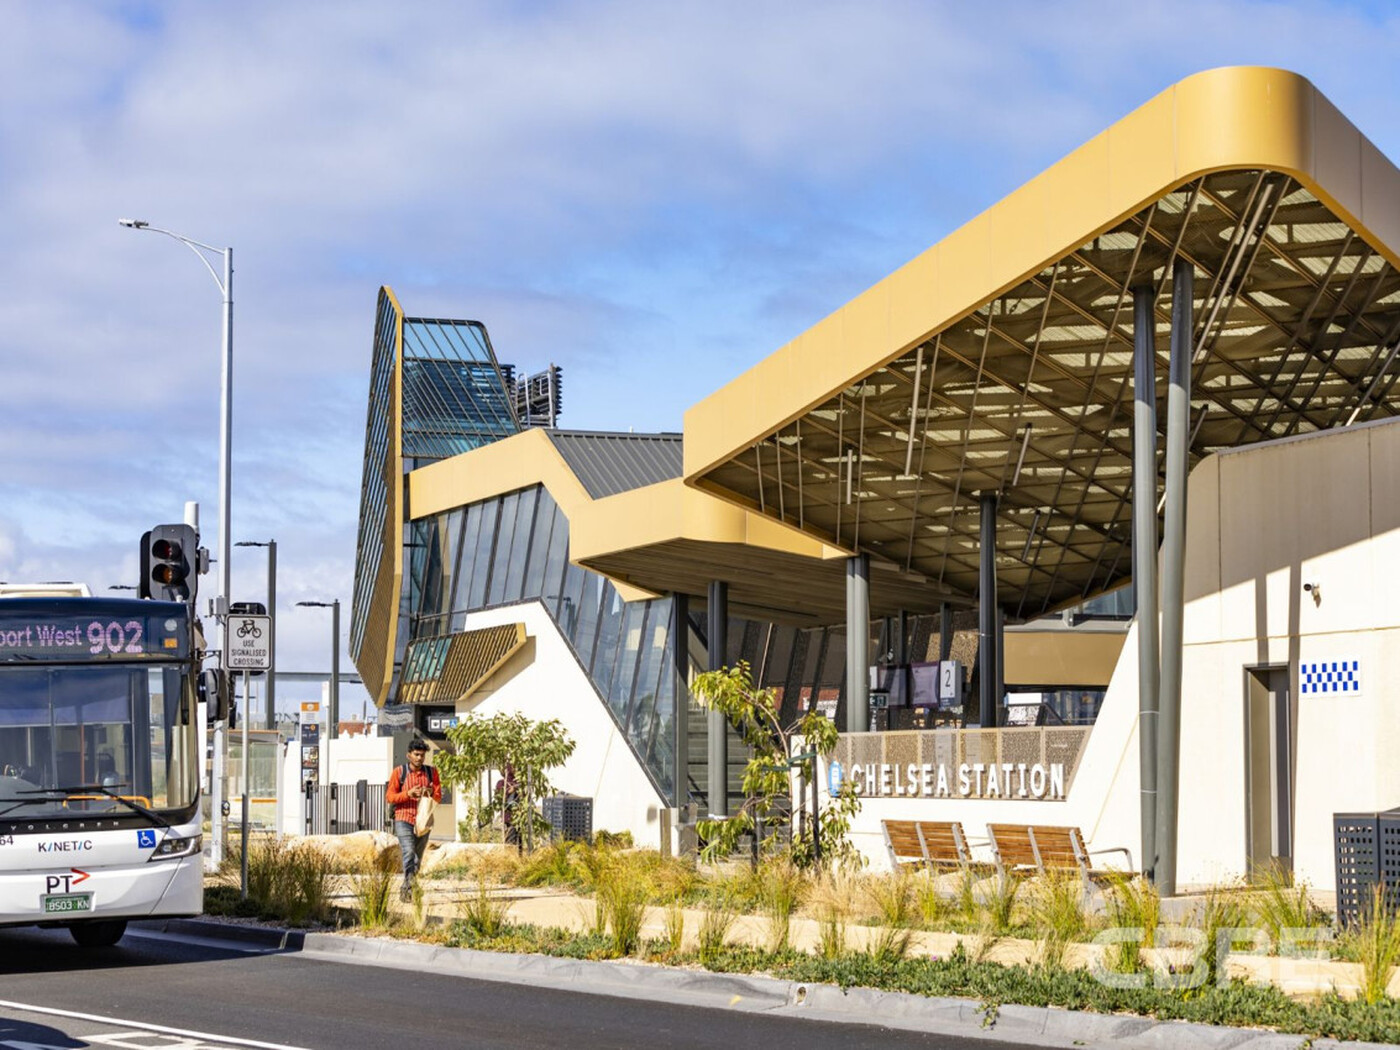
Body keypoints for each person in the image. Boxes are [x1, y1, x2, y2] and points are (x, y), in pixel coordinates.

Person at [386, 739, 441, 901]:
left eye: (422, 755)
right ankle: (410, 888)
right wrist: (408, 794)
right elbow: (390, 797)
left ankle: (407, 888)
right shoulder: (399, 772)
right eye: (416, 754)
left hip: (423, 820)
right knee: (409, 852)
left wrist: (429, 791)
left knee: (417, 857)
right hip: (403, 817)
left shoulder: (431, 772)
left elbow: (438, 795)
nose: (419, 758)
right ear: (408, 755)